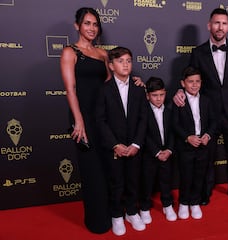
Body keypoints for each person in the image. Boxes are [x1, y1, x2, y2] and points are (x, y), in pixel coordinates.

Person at [173, 8, 228, 205]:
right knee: (206, 155)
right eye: (216, 23)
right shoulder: (198, 52)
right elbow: (190, 78)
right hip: (207, 113)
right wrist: (180, 90)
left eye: (224, 23)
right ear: (209, 26)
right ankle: (205, 191)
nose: (220, 27)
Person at [60, 7, 112, 234]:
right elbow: (70, 89)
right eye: (87, 23)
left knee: (107, 167)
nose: (92, 28)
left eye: (95, 24)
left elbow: (112, 85)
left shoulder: (103, 54)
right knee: (91, 170)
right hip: (83, 118)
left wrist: (135, 82)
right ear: (77, 26)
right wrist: (78, 121)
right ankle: (96, 220)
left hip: (104, 117)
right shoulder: (69, 52)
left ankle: (111, 214)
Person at [95, 46, 147, 236]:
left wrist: (136, 144)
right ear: (111, 65)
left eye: (128, 61)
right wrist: (115, 145)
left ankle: (132, 212)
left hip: (134, 146)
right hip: (113, 148)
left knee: (133, 181)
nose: (125, 64)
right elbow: (100, 120)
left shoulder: (139, 89)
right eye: (120, 61)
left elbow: (143, 119)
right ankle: (117, 215)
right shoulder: (104, 90)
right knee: (116, 182)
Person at [172, 66, 217, 220]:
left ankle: (195, 202)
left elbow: (213, 121)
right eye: (190, 81)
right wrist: (187, 137)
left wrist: (208, 135)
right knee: (186, 176)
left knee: (199, 175)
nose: (194, 84)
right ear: (183, 83)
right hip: (186, 146)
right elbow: (174, 124)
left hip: (203, 145)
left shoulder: (206, 100)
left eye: (197, 81)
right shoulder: (179, 101)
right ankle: (184, 202)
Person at [139, 77, 177, 224]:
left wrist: (169, 150)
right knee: (146, 183)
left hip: (166, 153)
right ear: (148, 95)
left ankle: (167, 205)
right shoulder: (143, 112)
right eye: (155, 95)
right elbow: (144, 134)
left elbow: (173, 132)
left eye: (161, 95)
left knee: (166, 181)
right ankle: (144, 208)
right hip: (149, 155)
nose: (159, 99)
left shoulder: (169, 111)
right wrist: (156, 152)